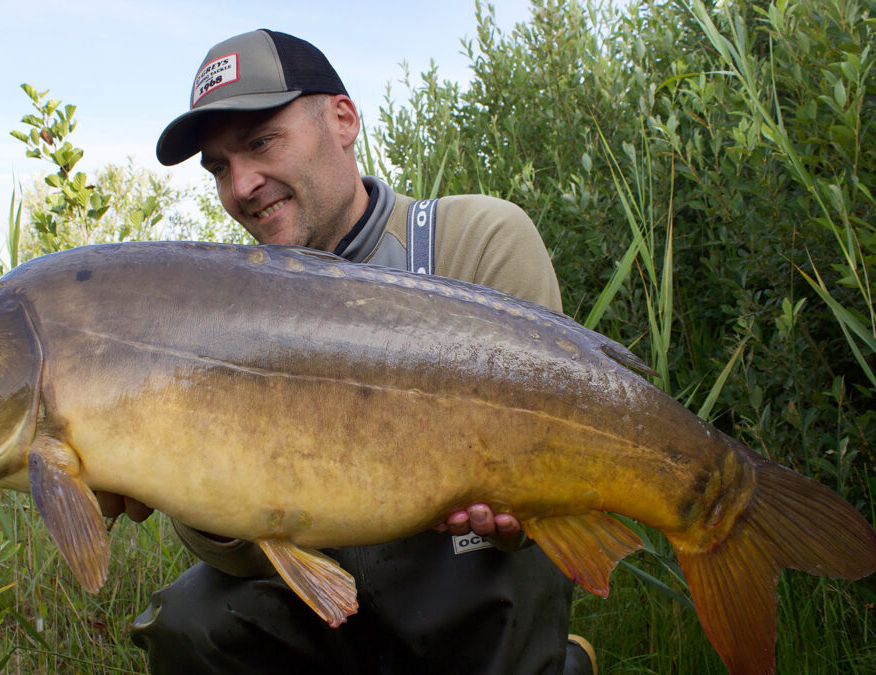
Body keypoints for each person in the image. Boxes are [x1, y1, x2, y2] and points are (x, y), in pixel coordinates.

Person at [114, 29, 596, 675]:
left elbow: (564, 448)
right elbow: (243, 556)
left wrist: (522, 507)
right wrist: (180, 484)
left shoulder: (473, 237)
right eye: (220, 167)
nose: (243, 185)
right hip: (327, 586)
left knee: (490, 558)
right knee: (190, 619)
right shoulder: (223, 312)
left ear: (342, 119)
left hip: (467, 565)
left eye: (260, 142)